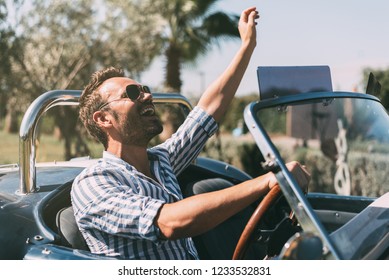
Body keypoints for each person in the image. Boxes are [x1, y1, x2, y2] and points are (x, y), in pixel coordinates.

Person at [71, 6, 310, 260]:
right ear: (104, 118)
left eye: (144, 88)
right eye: (132, 94)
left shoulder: (162, 161)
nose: (148, 95)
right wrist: (267, 181)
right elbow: (169, 222)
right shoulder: (92, 184)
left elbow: (209, 109)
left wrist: (247, 46)